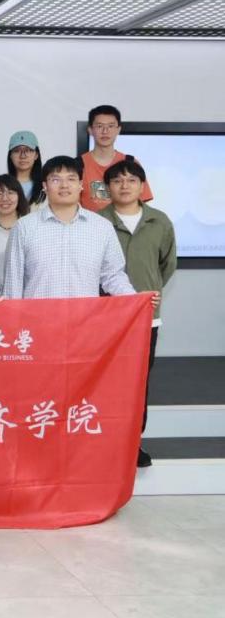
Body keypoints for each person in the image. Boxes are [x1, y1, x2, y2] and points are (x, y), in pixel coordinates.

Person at [99, 158, 176, 467]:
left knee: (137, 381)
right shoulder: (97, 222)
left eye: (131, 180)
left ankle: (133, 443)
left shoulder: (160, 221)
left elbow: (167, 265)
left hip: (146, 318)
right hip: (104, 319)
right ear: (107, 187)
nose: (125, 186)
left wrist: (150, 290)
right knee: (103, 381)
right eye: (117, 181)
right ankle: (103, 441)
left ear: (142, 186)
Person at [3, 156, 135, 299]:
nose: (64, 185)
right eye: (56, 180)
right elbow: (13, 285)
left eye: (71, 179)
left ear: (80, 184)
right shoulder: (24, 227)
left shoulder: (102, 227)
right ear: (45, 186)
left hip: (85, 313)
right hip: (38, 313)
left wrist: (138, 300)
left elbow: (113, 276)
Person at [81, 104, 153, 212]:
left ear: (118, 129)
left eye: (110, 126)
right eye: (99, 126)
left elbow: (141, 204)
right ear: (90, 130)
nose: (105, 131)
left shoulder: (131, 162)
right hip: (89, 223)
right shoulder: (77, 165)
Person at [6, 130, 46, 208]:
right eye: (17, 151)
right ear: (10, 155)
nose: (23, 156)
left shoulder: (46, 185)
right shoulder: (2, 185)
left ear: (36, 155)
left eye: (28, 150)